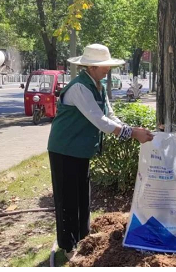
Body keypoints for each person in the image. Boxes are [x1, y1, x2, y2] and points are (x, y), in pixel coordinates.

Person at [47, 44, 154, 258]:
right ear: (91, 66)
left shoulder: (98, 85)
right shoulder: (80, 88)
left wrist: (131, 129)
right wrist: (132, 133)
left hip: (80, 150)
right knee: (68, 198)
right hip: (64, 149)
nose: (107, 69)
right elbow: (100, 120)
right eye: (103, 66)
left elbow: (110, 115)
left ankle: (83, 236)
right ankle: (68, 246)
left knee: (82, 195)